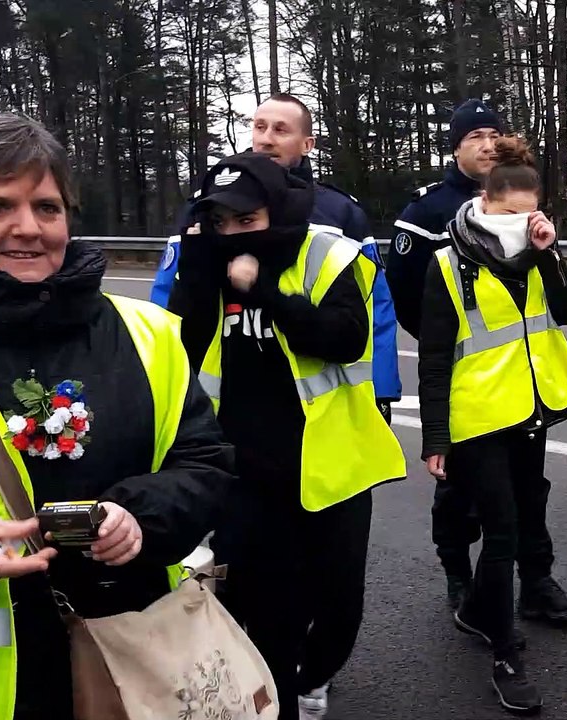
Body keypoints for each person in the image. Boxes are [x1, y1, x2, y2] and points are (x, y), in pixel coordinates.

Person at [0, 113, 233, 719]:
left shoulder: (146, 333)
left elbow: (206, 464)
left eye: (47, 207)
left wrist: (139, 518)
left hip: (135, 665)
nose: (27, 228)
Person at [168, 152, 406, 720]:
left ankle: (311, 675)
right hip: (245, 475)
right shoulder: (208, 262)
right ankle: (272, 699)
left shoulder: (329, 253)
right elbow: (178, 349)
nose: (233, 234)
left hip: (333, 469)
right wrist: (201, 272)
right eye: (221, 222)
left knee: (339, 608)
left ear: (279, 210)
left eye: (246, 221)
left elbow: (345, 339)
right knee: (265, 615)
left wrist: (266, 295)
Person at [418, 136, 567, 714]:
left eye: (530, 213)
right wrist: (435, 435)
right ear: (484, 204)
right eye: (509, 215)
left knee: (526, 510)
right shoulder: (449, 262)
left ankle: (476, 612)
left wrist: (549, 251)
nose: (519, 223)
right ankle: (506, 652)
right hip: (475, 419)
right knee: (502, 531)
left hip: (529, 410)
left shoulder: (538, 250)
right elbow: (436, 355)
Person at [151, 93, 401, 424]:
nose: (266, 139)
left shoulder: (338, 210)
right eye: (259, 127)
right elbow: (166, 299)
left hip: (315, 411)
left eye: (281, 130)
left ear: (307, 143)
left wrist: (382, 388)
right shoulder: (207, 205)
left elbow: (375, 306)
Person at [385, 99, 513, 610]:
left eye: (493, 134)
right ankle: (458, 576)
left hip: (517, 372)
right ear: (456, 146)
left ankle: (537, 578)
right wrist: (447, 344)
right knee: (460, 485)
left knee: (527, 484)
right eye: (474, 136)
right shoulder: (427, 211)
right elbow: (404, 291)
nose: (486, 144)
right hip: (462, 371)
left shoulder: (516, 201)